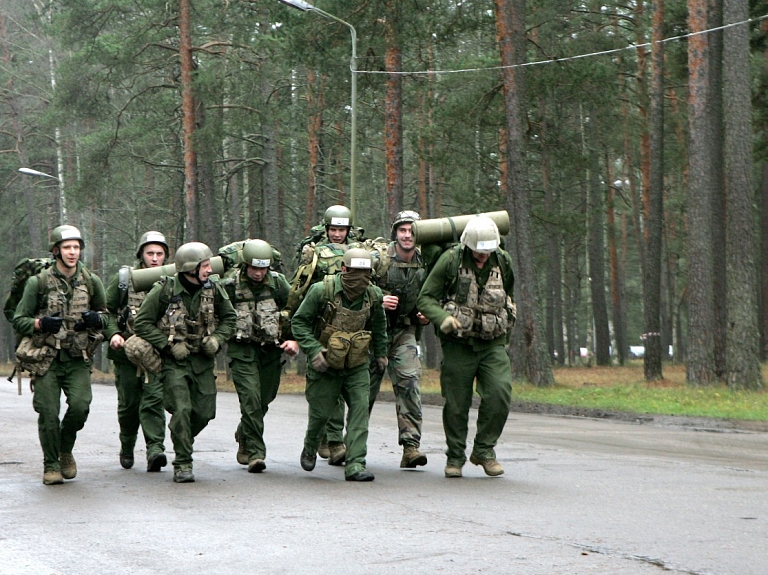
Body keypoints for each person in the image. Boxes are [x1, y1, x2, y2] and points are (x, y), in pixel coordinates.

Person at [416, 215, 516, 478]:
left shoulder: (502, 260)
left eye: (487, 252)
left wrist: (505, 327)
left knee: (499, 394)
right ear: (467, 246)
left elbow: (509, 294)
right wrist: (442, 319)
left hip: (493, 343)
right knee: (457, 404)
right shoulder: (450, 260)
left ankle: (484, 450)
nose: (483, 257)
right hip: (458, 345)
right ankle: (455, 456)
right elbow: (425, 298)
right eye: (478, 252)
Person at [133, 241, 236, 483]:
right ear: (190, 269)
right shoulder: (164, 290)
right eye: (205, 266)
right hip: (174, 363)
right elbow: (142, 324)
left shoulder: (214, 289)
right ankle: (183, 462)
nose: (210, 270)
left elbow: (229, 317)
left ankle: (182, 437)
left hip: (203, 362)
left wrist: (218, 339)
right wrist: (168, 344)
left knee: (204, 412)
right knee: (182, 409)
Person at [13, 225, 107, 485]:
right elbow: (19, 319)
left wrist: (96, 318)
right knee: (48, 412)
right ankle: (51, 464)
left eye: (76, 247)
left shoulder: (91, 281)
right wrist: (40, 325)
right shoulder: (38, 282)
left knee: (79, 407)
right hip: (46, 359)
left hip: (77, 358)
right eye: (67, 247)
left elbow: (108, 316)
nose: (72, 252)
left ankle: (65, 449)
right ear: (56, 251)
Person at [291, 249, 387, 482]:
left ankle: (355, 464)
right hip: (325, 365)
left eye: (366, 273)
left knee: (360, 412)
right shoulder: (321, 290)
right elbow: (299, 323)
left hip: (357, 365)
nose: (361, 278)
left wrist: (381, 354)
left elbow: (379, 326)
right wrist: (314, 350)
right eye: (356, 272)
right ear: (344, 270)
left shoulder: (373, 295)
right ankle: (311, 444)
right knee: (320, 414)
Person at [368, 210, 439, 469]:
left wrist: (426, 314)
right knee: (364, 390)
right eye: (402, 230)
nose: (407, 235)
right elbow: (353, 286)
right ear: (395, 233)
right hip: (374, 335)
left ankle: (411, 447)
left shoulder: (426, 263)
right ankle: (353, 443)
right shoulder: (378, 260)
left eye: (412, 231)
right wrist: (378, 299)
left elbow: (435, 293)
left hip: (404, 332)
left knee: (410, 383)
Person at [289, 204, 359, 465]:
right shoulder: (314, 253)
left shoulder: (359, 251)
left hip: (349, 327)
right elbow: (301, 287)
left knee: (340, 387)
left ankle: (334, 440)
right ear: (326, 228)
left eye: (342, 229)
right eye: (334, 229)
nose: (338, 234)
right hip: (320, 327)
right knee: (321, 389)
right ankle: (326, 438)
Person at [224, 239, 299, 473]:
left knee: (265, 398)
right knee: (251, 400)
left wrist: (292, 338)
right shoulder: (230, 285)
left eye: (263, 268)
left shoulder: (278, 284)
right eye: (254, 268)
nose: (258, 273)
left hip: (270, 350)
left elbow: (295, 311)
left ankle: (244, 433)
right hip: (242, 350)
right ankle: (256, 452)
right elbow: (216, 312)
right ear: (245, 265)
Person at [104, 231, 170, 472]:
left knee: (154, 400)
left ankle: (155, 449)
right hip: (125, 356)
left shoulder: (170, 281)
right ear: (141, 254)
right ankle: (127, 445)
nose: (154, 258)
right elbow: (106, 311)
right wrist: (114, 334)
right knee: (129, 406)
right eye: (150, 253)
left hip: (156, 354)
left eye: (159, 254)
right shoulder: (124, 280)